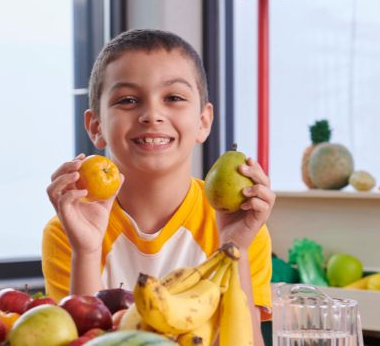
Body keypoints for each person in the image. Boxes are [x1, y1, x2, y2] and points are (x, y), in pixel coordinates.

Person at [42, 29, 274, 343]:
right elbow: (78, 339)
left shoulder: (240, 228)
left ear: (203, 122)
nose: (152, 115)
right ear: (96, 127)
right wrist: (87, 249)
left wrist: (237, 250)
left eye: (174, 98)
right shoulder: (66, 231)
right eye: (128, 100)